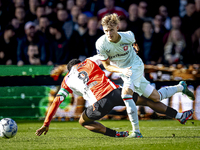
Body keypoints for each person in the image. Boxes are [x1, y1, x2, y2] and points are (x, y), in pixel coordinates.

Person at [35, 55, 194, 138]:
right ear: (79, 63)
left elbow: (57, 101)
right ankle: (179, 115)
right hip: (117, 91)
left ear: (69, 69)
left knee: (83, 121)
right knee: (149, 100)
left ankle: (116, 134)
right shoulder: (90, 61)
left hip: (101, 102)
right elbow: (107, 56)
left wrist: (46, 123)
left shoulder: (67, 80)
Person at [95, 13, 195, 137]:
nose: (109, 34)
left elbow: (134, 43)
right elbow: (107, 66)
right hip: (124, 72)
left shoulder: (128, 35)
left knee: (126, 95)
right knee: (156, 97)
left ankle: (136, 132)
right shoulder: (101, 44)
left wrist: (135, 49)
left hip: (135, 66)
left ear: (117, 27)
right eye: (106, 31)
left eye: (111, 30)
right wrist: (121, 71)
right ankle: (181, 88)